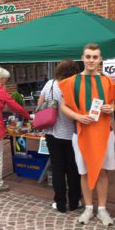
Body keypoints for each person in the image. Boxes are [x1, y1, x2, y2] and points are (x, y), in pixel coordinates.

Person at [59, 43, 115, 226]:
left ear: (100, 59)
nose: (91, 60)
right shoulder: (71, 82)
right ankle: (88, 208)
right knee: (84, 172)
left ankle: (102, 209)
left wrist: (111, 108)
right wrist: (78, 116)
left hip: (104, 134)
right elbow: (63, 106)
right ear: (82, 58)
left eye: (95, 57)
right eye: (88, 56)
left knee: (102, 171)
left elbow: (113, 104)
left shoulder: (108, 81)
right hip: (81, 132)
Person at [38, 60, 81, 213]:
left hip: (51, 132)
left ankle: (60, 203)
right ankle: (75, 202)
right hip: (71, 134)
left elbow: (39, 105)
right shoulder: (75, 85)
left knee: (57, 169)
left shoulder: (50, 83)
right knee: (73, 169)